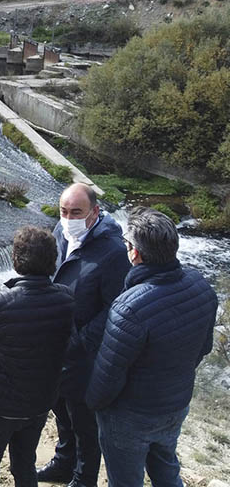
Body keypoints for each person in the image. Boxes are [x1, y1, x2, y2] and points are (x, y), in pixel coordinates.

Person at [86, 208, 217, 487]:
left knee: (125, 481)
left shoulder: (128, 307)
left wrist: (93, 405)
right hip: (175, 404)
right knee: (166, 468)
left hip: (131, 416)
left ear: (134, 253)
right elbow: (203, 348)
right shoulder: (201, 285)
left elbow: (108, 375)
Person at [0, 226, 75, 487]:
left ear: (17, 259)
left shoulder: (0, 302)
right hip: (38, 403)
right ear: (53, 260)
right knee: (25, 464)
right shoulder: (67, 299)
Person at [37, 183, 129, 487]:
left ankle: (84, 477)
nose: (68, 217)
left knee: (84, 421)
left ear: (95, 213)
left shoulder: (113, 251)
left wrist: (82, 340)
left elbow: (116, 306)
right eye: (64, 211)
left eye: (76, 212)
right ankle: (63, 464)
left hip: (85, 354)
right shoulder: (60, 231)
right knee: (60, 409)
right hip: (53, 344)